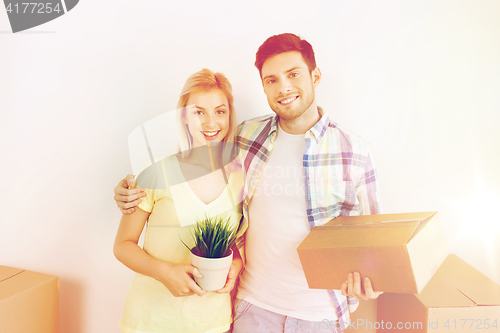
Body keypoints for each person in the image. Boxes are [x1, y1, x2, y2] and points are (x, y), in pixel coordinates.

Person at [115, 33, 382, 333]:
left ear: (315, 76)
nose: (284, 88)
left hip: (317, 314)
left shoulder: (355, 152)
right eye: (271, 80)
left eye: (293, 74)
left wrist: (373, 280)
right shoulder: (246, 138)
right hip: (252, 308)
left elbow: (376, 241)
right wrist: (128, 189)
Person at [113, 68, 244, 333]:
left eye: (220, 111)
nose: (210, 123)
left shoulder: (241, 176)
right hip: (150, 322)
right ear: (184, 117)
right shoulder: (155, 174)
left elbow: (239, 242)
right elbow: (122, 246)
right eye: (199, 112)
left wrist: (237, 265)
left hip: (211, 322)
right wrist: (164, 272)